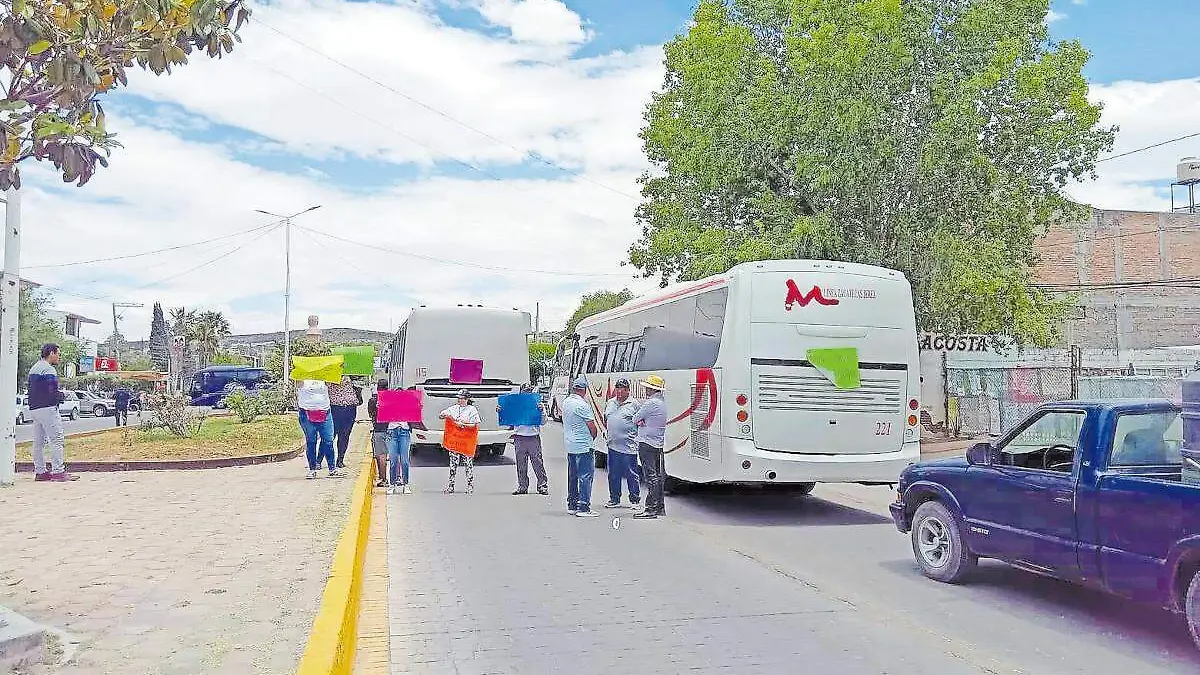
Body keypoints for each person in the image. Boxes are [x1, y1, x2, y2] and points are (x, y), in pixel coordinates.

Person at [28, 343, 74, 482]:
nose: (59, 356)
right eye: (58, 354)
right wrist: (62, 396)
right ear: (51, 353)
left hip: (35, 409)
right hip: (48, 408)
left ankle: (40, 471)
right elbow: (51, 392)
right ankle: (58, 471)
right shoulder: (49, 370)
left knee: (38, 442)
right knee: (57, 439)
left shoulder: (34, 368)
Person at [562, 375, 599, 517]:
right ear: (584, 390)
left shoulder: (566, 402)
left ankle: (572, 505)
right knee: (585, 476)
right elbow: (592, 427)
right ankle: (584, 507)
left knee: (573, 476)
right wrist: (592, 438)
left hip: (570, 445)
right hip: (583, 446)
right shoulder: (583, 405)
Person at [633, 374, 668, 519]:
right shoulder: (662, 403)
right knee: (658, 476)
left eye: (647, 387)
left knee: (651, 477)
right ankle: (659, 507)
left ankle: (650, 509)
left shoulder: (650, 403)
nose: (645, 390)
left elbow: (635, 418)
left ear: (651, 389)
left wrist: (641, 421)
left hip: (647, 442)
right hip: (658, 443)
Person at [602, 378, 641, 509]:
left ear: (628, 390)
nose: (619, 392)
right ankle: (614, 499)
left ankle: (635, 500)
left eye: (623, 389)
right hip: (612, 445)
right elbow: (605, 418)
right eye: (617, 389)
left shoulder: (634, 404)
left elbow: (641, 423)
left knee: (631, 474)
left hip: (629, 446)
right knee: (613, 474)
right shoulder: (610, 402)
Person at [506, 383, 548, 496]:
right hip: (519, 437)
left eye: (529, 391)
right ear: (521, 392)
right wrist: (501, 411)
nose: (527, 394)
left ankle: (542, 486)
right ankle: (522, 486)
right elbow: (508, 420)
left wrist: (541, 412)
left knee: (538, 463)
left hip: (533, 437)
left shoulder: (538, 404)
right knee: (521, 464)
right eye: (525, 391)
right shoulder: (515, 405)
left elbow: (544, 422)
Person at [298, 379, 343, 479]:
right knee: (311, 441)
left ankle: (332, 469)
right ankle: (312, 469)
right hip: (306, 413)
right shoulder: (302, 375)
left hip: (325, 413)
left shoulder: (325, 376)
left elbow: (333, 383)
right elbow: (298, 383)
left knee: (328, 441)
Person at [440, 389, 480, 494]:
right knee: (453, 464)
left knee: (468, 463)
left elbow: (474, 425)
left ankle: (470, 486)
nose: (461, 400)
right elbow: (442, 415)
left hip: (466, 440)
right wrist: (444, 415)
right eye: (459, 398)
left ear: (467, 399)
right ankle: (451, 486)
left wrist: (463, 424)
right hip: (455, 440)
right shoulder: (454, 408)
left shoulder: (472, 409)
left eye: (463, 398)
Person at [328, 375, 361, 469]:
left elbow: (360, 379)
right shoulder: (330, 374)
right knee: (330, 436)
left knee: (345, 435)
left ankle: (340, 459)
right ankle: (320, 460)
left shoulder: (352, 375)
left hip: (350, 409)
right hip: (335, 408)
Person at [387, 387, 414, 495]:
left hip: (404, 432)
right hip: (392, 432)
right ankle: (392, 484)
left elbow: (415, 417)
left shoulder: (408, 406)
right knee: (393, 460)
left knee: (404, 460)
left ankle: (405, 484)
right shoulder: (389, 405)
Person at [366, 379, 390, 489]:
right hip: (391, 430)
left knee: (381, 456)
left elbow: (370, 415)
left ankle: (383, 479)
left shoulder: (372, 400)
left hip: (378, 430)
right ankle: (397, 479)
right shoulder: (392, 399)